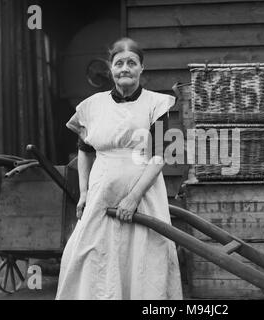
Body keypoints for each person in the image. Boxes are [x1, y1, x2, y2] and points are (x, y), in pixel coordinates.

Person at [55, 38, 183, 300]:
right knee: (87, 252)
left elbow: (159, 156)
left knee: (145, 255)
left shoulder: (155, 105)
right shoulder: (93, 106)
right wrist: (83, 192)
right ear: (111, 68)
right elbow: (85, 150)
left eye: (131, 63)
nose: (125, 68)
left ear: (141, 69)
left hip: (144, 195)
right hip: (102, 192)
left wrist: (133, 197)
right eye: (119, 63)